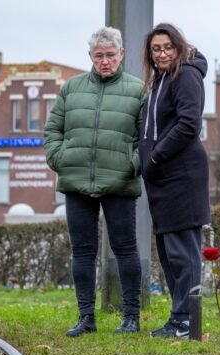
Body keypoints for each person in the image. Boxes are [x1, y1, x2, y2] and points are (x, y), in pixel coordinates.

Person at [44, 27, 145, 337]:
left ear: (121, 55)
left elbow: (146, 140)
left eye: (110, 56)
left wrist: (132, 165)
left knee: (126, 249)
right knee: (82, 252)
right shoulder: (71, 89)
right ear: (90, 56)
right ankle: (86, 317)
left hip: (119, 182)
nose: (105, 62)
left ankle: (131, 317)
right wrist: (60, 160)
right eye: (99, 56)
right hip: (76, 181)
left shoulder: (138, 91)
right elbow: (52, 131)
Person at [139, 23, 210, 338]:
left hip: (181, 176)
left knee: (184, 253)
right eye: (156, 49)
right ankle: (179, 317)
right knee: (171, 254)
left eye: (167, 46)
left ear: (178, 47)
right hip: (162, 180)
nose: (162, 53)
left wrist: (154, 157)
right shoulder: (160, 80)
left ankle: (187, 323)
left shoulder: (185, 75)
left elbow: (188, 124)